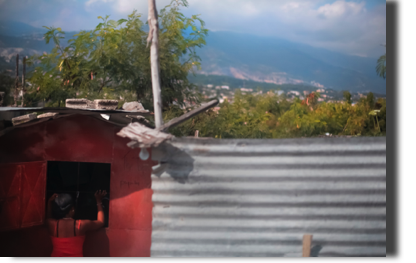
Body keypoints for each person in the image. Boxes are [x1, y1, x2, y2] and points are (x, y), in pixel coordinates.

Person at [46, 190, 107, 257]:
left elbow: (49, 217)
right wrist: (98, 201)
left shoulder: (53, 225)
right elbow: (101, 222)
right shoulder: (80, 225)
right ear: (72, 209)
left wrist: (49, 202)